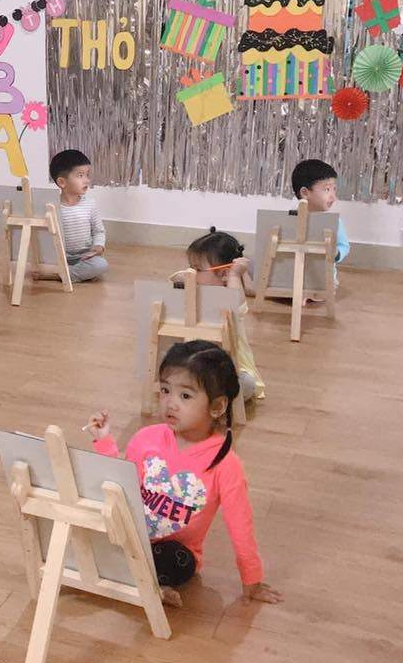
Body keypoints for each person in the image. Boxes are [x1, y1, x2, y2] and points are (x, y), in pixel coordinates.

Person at [86, 340, 281, 608]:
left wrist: (252, 578)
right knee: (90, 526)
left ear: (217, 406)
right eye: (165, 390)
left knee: (178, 560)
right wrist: (104, 441)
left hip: (170, 552)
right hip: (130, 534)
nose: (170, 403)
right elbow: (119, 485)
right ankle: (137, 578)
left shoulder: (226, 464)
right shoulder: (146, 438)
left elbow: (240, 525)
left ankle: (135, 578)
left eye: (185, 396)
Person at [178, 229, 265, 400]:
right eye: (190, 267)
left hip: (231, 368)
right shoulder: (195, 292)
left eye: (197, 269)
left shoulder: (230, 296)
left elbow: (234, 301)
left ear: (224, 273)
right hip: (198, 364)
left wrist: (234, 274)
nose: (191, 273)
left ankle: (209, 396)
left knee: (245, 384)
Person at [48, 149, 107, 282]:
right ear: (62, 182)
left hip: (83, 257)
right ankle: (68, 273)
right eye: (80, 175)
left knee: (101, 264)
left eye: (87, 175)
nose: (87, 180)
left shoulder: (90, 204)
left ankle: (60, 275)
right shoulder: (53, 207)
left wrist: (98, 247)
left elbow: (99, 231)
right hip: (59, 256)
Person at [290, 159, 348, 265]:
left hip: (323, 274)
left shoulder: (334, 222)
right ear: (305, 193)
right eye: (327, 189)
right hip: (292, 272)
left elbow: (344, 246)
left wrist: (337, 253)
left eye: (334, 189)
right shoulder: (290, 218)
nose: (333, 197)